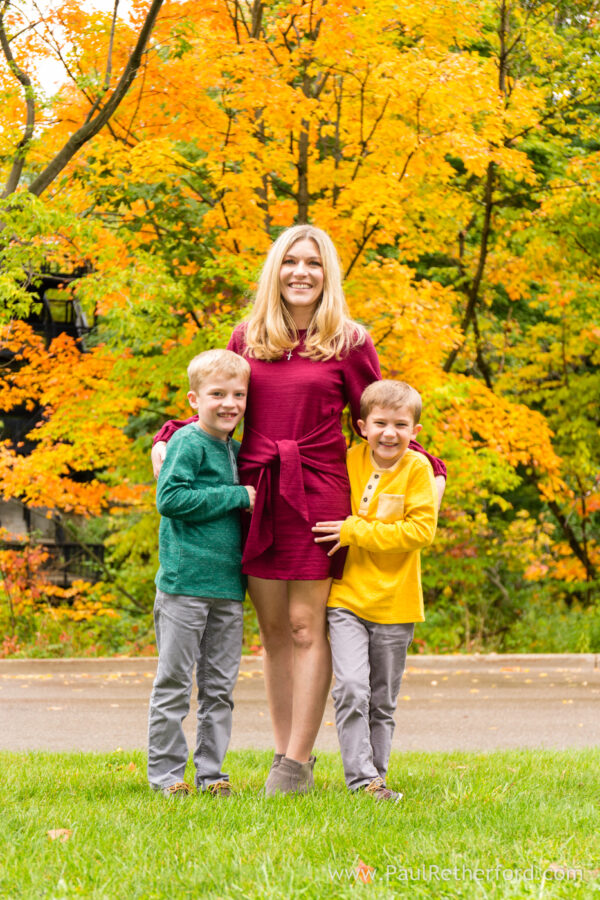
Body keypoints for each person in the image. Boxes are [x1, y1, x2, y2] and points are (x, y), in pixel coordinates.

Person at [151, 224, 446, 796]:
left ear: (327, 272)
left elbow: (380, 416)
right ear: (275, 270)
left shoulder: (350, 341)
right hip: (258, 491)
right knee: (273, 630)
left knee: (309, 625)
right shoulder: (248, 335)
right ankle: (281, 751)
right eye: (291, 261)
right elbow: (219, 400)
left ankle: (295, 763)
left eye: (313, 262)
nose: (301, 272)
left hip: (319, 492)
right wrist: (168, 435)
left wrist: (428, 465)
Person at [312, 380, 437, 802]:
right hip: (346, 598)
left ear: (415, 431)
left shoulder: (417, 470)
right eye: (380, 423)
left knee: (382, 700)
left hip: (397, 604)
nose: (390, 433)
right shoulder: (347, 461)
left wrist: (354, 530)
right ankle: (362, 779)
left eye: (401, 425)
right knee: (351, 688)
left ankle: (375, 780)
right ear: (362, 426)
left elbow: (420, 531)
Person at [148, 349, 256, 798]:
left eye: (238, 394)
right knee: (174, 683)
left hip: (228, 588)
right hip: (184, 585)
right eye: (217, 394)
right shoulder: (189, 443)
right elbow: (169, 500)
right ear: (195, 399)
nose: (228, 403)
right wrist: (236, 496)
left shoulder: (236, 448)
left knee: (218, 689)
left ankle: (212, 774)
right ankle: (168, 777)